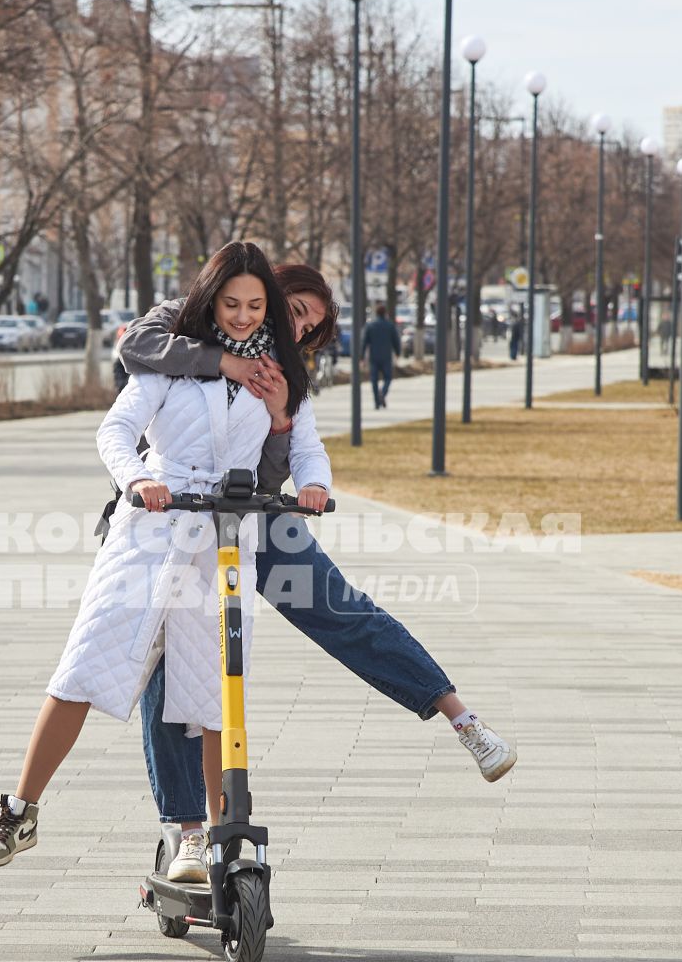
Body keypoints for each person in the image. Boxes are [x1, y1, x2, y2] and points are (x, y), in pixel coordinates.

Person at [120, 267, 516, 885]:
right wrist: (222, 365)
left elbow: (284, 463)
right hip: (177, 515)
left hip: (256, 518)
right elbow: (135, 347)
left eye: (311, 324)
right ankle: (186, 829)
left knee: (341, 611)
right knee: (172, 662)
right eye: (295, 310)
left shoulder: (289, 375)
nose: (298, 326)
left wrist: (280, 419)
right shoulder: (193, 317)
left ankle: (462, 718)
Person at [0, 242, 329, 868]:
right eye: (231, 303)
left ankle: (216, 837)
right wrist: (137, 478)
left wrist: (314, 481)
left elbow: (303, 446)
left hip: (219, 542)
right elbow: (114, 429)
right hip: (150, 528)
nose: (243, 316)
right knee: (84, 664)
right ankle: (19, 811)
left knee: (214, 692)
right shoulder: (174, 362)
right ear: (211, 301)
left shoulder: (281, 374)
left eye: (255, 305)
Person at [364, 302, 399, 409]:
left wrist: (361, 357)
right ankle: (382, 394)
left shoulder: (371, 326)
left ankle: (376, 402)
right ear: (385, 313)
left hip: (373, 357)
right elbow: (396, 340)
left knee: (374, 380)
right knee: (388, 378)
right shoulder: (390, 326)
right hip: (386, 357)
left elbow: (364, 342)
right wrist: (398, 353)